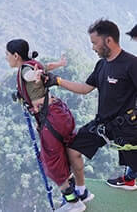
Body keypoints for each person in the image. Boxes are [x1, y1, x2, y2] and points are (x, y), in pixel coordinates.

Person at [45, 19, 137, 191]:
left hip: (127, 128)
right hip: (102, 124)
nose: (93, 47)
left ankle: (130, 179)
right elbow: (85, 88)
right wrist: (57, 81)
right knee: (72, 150)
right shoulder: (101, 65)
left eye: (95, 43)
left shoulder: (132, 64)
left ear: (108, 40)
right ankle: (81, 191)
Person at [6, 39, 93, 212]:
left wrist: (34, 77)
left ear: (16, 55)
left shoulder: (26, 69)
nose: (6, 58)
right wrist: (59, 64)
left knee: (52, 162)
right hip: (60, 114)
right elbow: (47, 67)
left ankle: (73, 202)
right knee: (67, 154)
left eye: (7, 55)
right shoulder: (34, 64)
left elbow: (29, 76)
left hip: (50, 119)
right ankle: (82, 192)